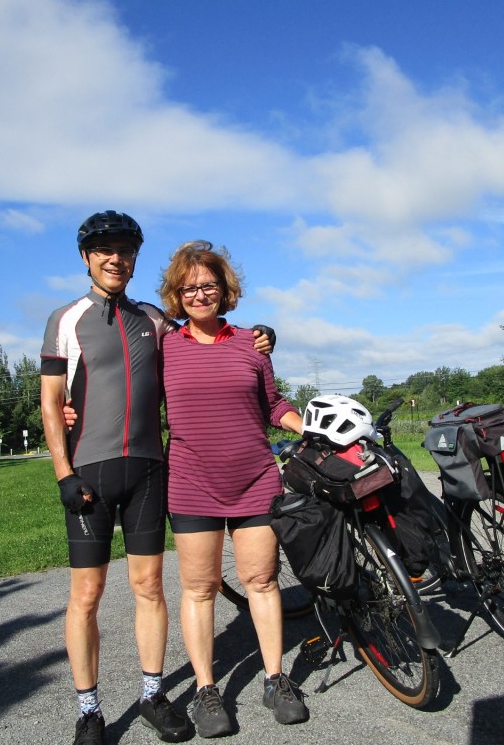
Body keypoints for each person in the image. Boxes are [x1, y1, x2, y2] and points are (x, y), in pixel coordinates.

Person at [40, 211, 273, 745]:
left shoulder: (153, 319)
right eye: (103, 250)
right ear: (86, 258)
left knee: (149, 586)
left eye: (124, 250)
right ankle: (89, 710)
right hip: (89, 475)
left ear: (135, 258)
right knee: (87, 594)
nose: (114, 258)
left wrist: (261, 335)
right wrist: (63, 472)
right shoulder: (65, 318)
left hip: (149, 470)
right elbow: (51, 403)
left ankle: (151, 693)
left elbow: (206, 337)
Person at [158, 241, 309, 738]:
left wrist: (306, 426)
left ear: (225, 291)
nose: (201, 294)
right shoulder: (165, 346)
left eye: (209, 285)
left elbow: (273, 405)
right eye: (191, 288)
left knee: (262, 581)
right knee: (199, 589)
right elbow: (129, 393)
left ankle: (275, 678)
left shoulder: (252, 344)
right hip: (192, 481)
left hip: (255, 479)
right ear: (178, 296)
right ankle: (206, 691)